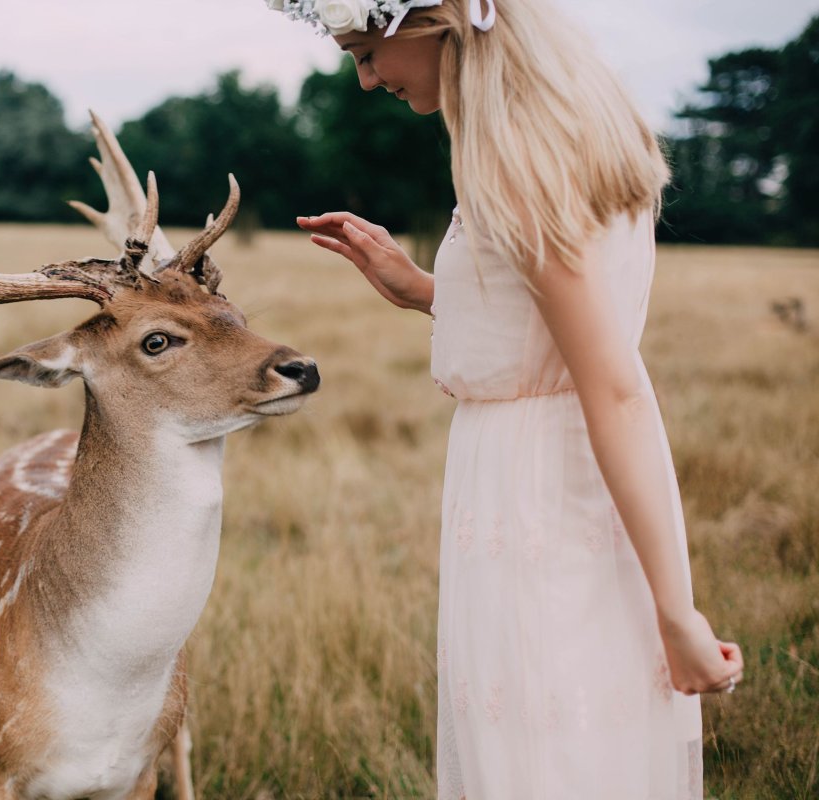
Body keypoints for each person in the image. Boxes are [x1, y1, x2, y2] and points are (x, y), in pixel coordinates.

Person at [270, 0, 745, 798]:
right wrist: (423, 288)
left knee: (546, 762)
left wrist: (677, 614)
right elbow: (551, 333)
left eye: (366, 51)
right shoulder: (557, 122)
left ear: (432, 18)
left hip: (542, 505)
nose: (365, 79)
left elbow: (615, 388)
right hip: (561, 482)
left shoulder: (513, 154)